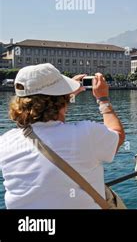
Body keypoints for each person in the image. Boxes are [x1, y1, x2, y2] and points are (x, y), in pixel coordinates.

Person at [0, 63, 125, 209]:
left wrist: (64, 95)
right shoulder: (87, 134)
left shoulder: (5, 142)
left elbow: (32, 124)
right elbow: (118, 135)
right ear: (61, 101)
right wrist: (103, 100)